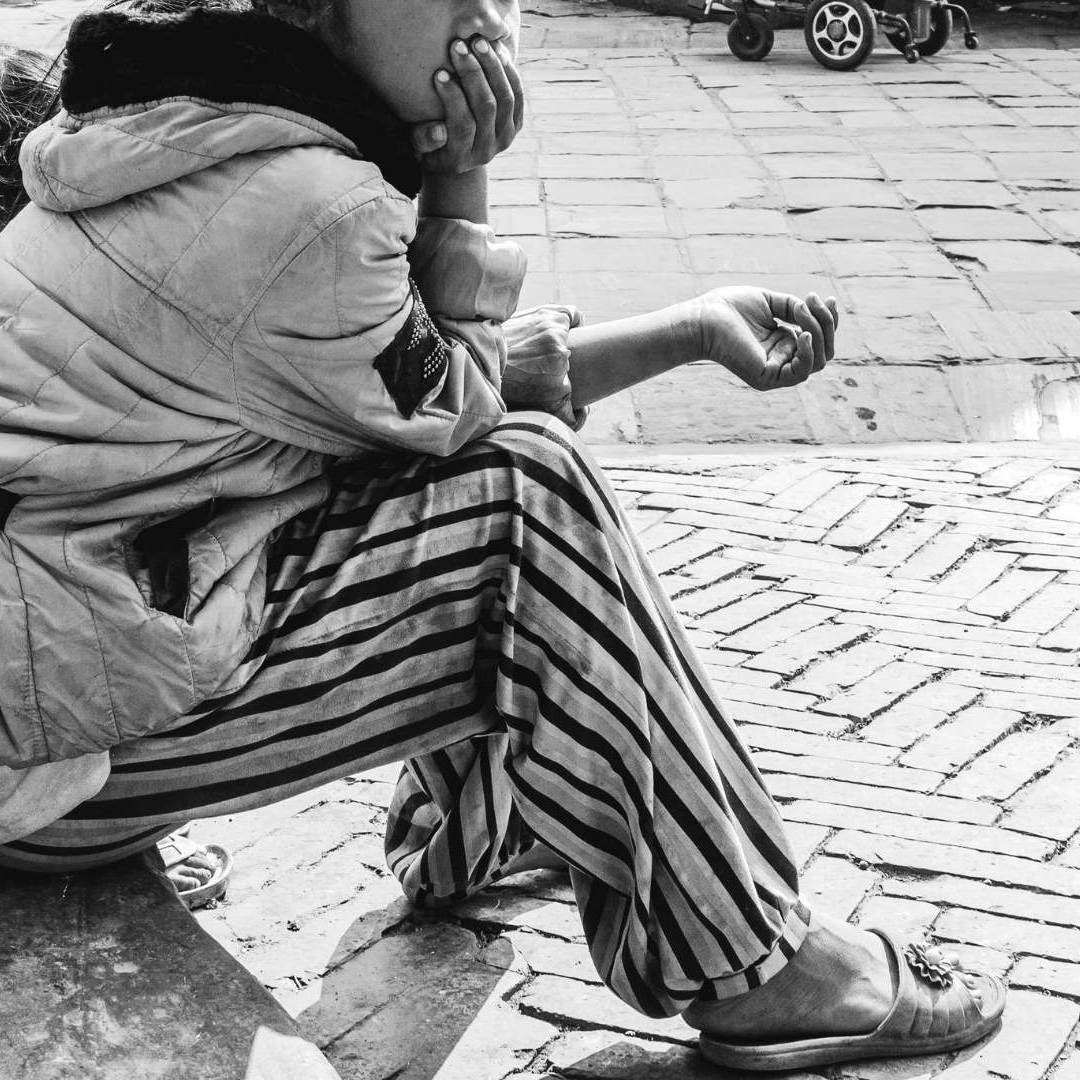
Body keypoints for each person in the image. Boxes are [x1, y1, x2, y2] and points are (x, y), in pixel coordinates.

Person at [0, 0, 1003, 1069]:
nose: (487, 23)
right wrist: (463, 179)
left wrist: (694, 327)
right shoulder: (310, 204)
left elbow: (434, 385)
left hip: (56, 706)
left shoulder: (207, 129)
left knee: (474, 481)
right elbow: (465, 417)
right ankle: (750, 961)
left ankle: (486, 826)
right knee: (528, 495)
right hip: (54, 772)